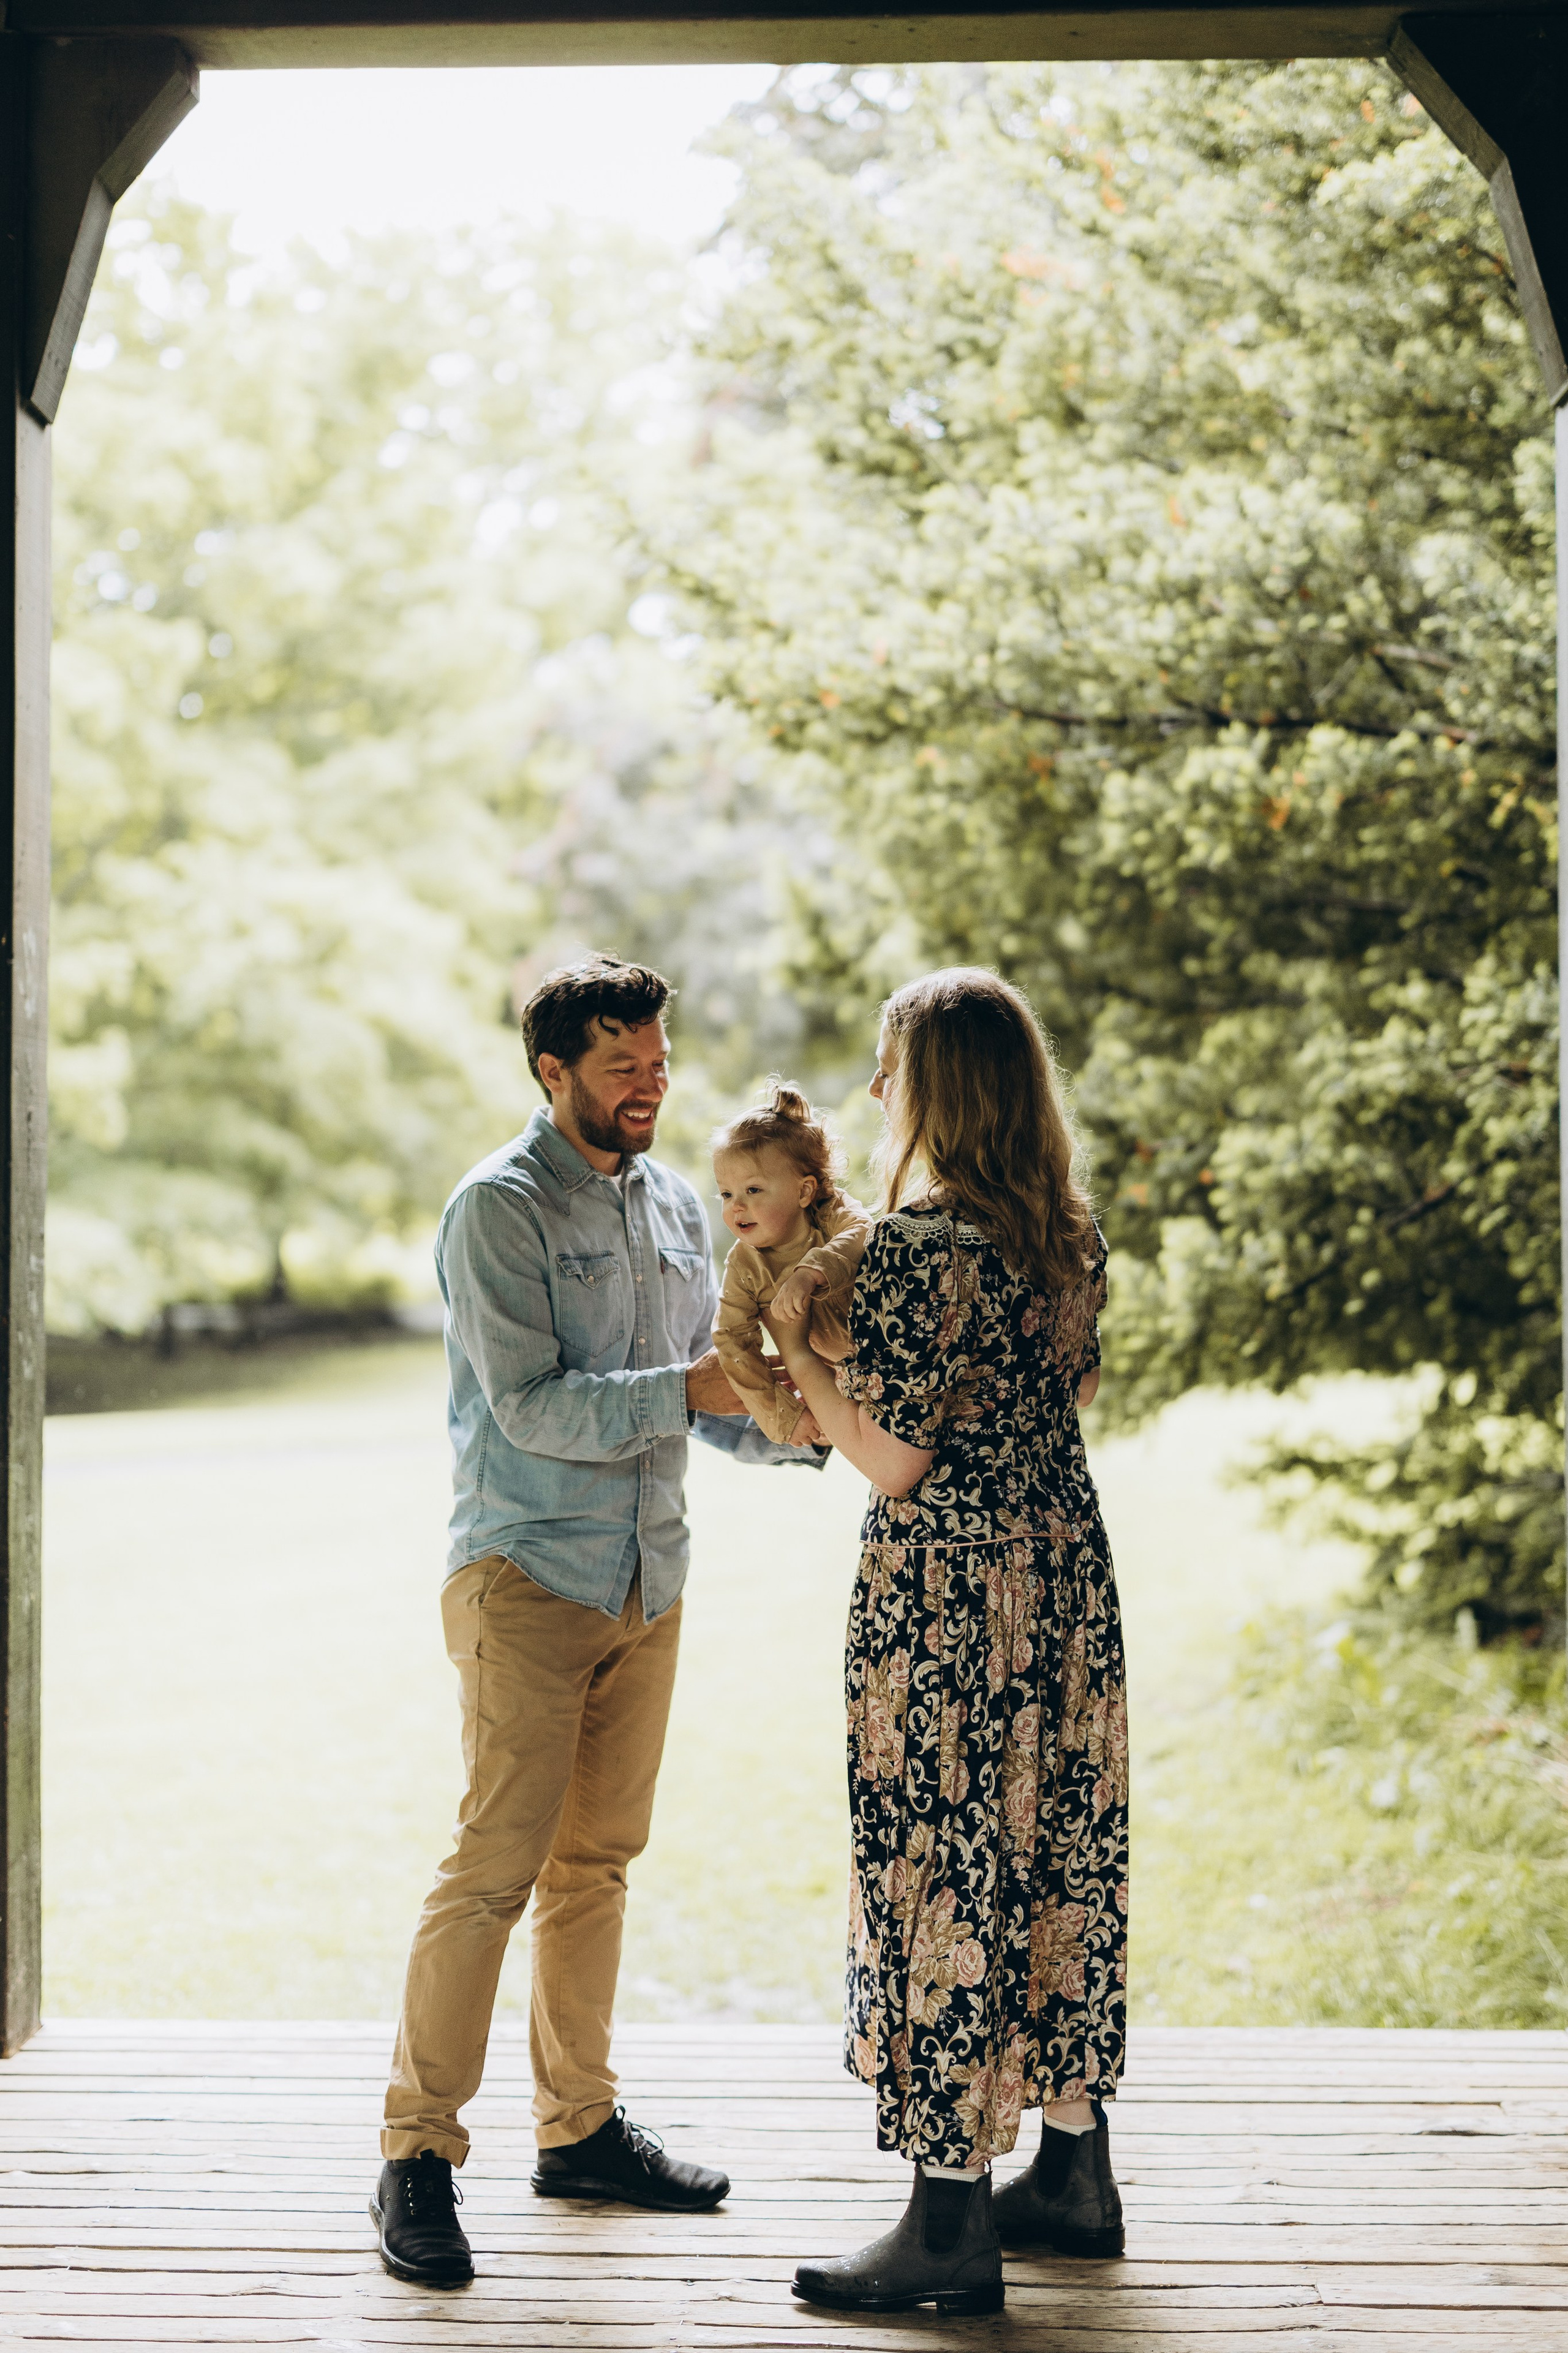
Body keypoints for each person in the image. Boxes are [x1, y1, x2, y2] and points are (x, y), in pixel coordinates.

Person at [371, 953, 820, 2289]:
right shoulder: (495, 1209)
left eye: (658, 1063)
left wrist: (814, 1432)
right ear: (553, 1070)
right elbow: (533, 1407)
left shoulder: (679, 1207)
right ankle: (414, 2155)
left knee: (596, 1869)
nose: (649, 1086)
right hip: (525, 1575)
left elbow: (711, 1399)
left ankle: (577, 2130)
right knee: (491, 1872)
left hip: (646, 1581)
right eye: (622, 1066)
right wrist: (696, 1390)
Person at [767, 967, 1128, 2319]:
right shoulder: (1066, 1235)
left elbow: (894, 1459)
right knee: (1058, 1855)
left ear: (939, 1090)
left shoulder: (923, 1250)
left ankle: (947, 2221)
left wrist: (798, 1345)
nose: (875, 1089)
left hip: (951, 1609)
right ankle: (1073, 2173)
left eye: (892, 1066)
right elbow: (1066, 1390)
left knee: (944, 1869)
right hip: (1064, 1586)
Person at [710, 1078, 873, 1447]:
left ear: (804, 1191)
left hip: (902, 1348)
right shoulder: (744, 1267)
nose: (737, 1206)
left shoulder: (829, 1212)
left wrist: (812, 1271)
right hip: (840, 1375)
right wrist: (784, 1415)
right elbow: (732, 1341)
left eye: (753, 1190)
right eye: (726, 1194)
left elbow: (865, 1232)